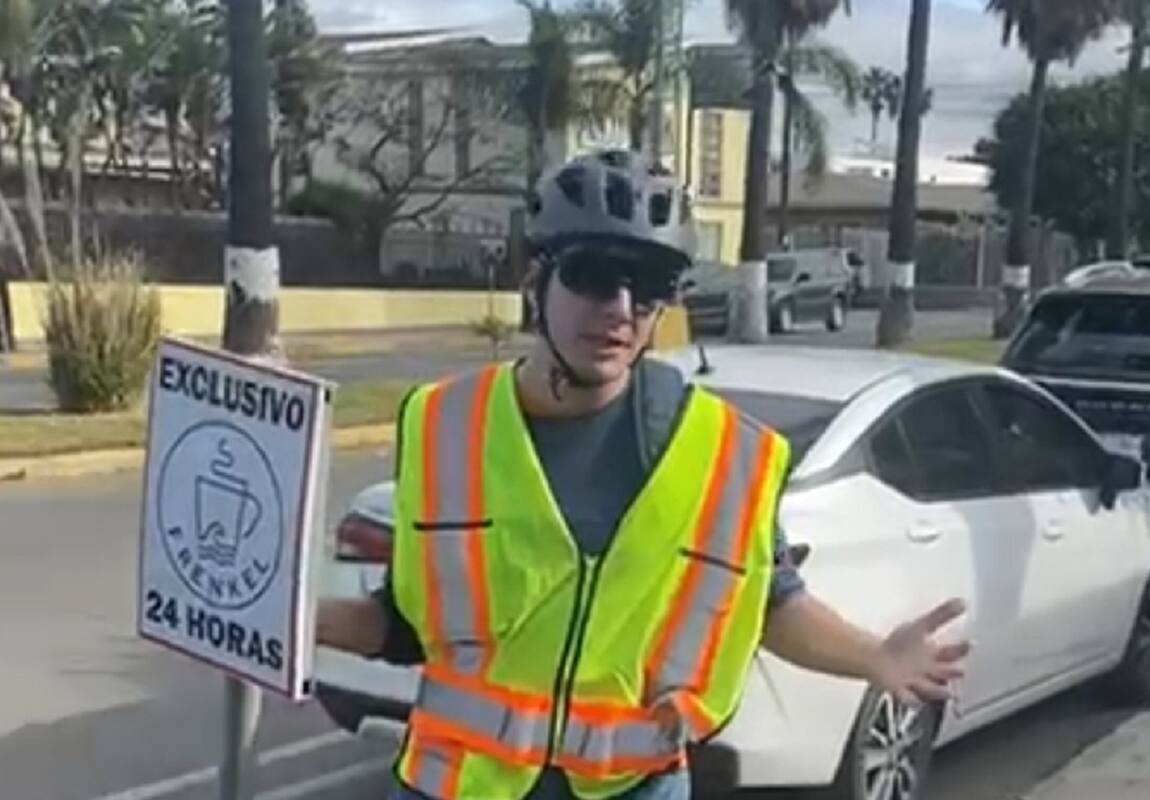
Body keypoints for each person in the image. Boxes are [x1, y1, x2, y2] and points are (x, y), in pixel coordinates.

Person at [316, 149, 969, 800]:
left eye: (651, 283)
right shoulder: (444, 426)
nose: (621, 308)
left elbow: (771, 603)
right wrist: (286, 619)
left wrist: (876, 658)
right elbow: (407, 622)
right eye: (595, 275)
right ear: (532, 281)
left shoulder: (719, 453)